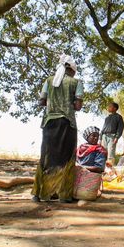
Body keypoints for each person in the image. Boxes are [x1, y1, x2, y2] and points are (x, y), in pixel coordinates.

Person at [32, 54, 83, 203]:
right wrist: (68, 103)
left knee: (47, 157)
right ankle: (64, 195)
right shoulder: (76, 82)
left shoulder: (49, 81)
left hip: (49, 123)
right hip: (67, 123)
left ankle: (38, 193)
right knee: (66, 158)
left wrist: (52, 101)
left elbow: (41, 101)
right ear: (72, 70)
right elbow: (78, 106)